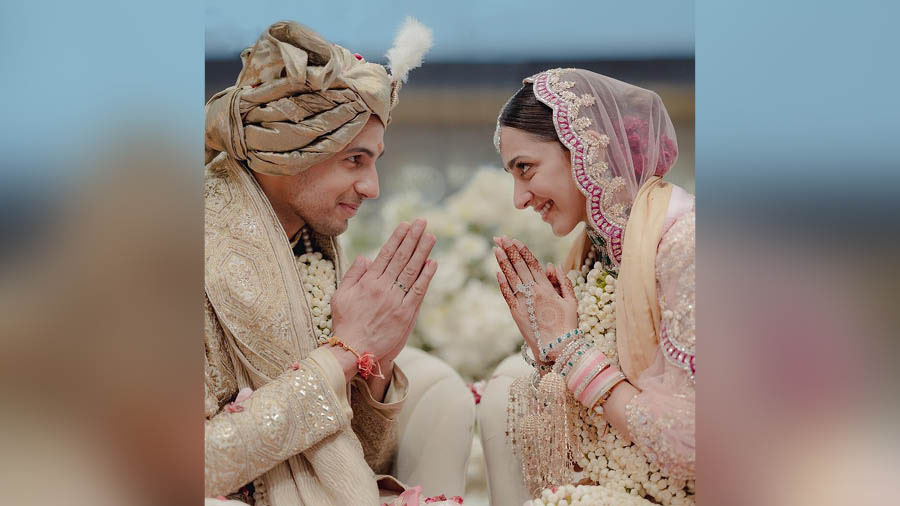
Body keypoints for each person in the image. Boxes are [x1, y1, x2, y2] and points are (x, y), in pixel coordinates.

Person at [204, 20, 474, 506]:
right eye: (355, 160)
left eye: (375, 161)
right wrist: (343, 354)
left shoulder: (310, 249)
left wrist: (376, 363)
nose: (373, 187)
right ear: (291, 151)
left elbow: (361, 460)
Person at [478, 68, 695, 506]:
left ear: (583, 151)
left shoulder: (685, 244)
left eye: (526, 169)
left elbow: (695, 440)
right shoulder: (594, 250)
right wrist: (549, 352)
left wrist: (571, 350)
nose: (519, 198)